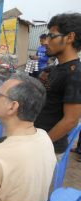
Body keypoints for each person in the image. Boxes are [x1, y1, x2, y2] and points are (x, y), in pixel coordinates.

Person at [34, 13, 81, 155]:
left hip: (47, 146)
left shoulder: (76, 74)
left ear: (70, 37)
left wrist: (40, 145)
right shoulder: (56, 68)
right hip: (35, 135)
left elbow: (71, 120)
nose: (46, 42)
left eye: (51, 36)